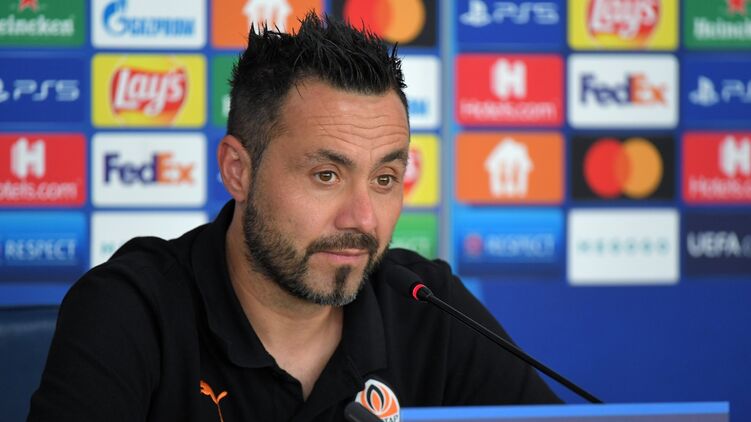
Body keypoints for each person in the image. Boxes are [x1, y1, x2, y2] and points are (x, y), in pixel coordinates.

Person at [28, 12, 560, 422]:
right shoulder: (131, 307)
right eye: (326, 175)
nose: (363, 219)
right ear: (238, 170)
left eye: (384, 179)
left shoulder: (429, 307)